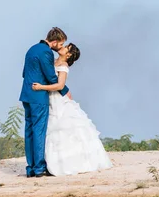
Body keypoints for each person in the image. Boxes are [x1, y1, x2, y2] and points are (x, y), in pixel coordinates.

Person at [32, 43, 112, 175]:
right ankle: (50, 163)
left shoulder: (63, 67)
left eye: (66, 48)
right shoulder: (53, 61)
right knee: (50, 129)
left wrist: (41, 87)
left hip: (57, 99)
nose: (62, 48)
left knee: (63, 129)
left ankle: (68, 163)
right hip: (49, 99)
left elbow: (59, 85)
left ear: (68, 55)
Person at [19, 27, 71, 178]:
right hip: (39, 97)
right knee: (39, 131)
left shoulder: (32, 49)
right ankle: (39, 168)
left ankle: (30, 168)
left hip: (26, 95)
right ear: (54, 42)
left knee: (28, 131)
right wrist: (65, 91)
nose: (60, 47)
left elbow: (24, 73)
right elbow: (51, 77)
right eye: (60, 44)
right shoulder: (46, 52)